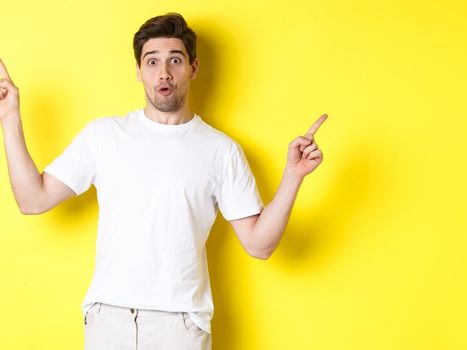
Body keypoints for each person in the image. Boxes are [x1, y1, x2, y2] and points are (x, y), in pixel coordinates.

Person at [0, 12, 326, 350]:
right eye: (152, 61)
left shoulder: (221, 151)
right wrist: (10, 117)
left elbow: (259, 245)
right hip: (108, 320)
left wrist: (293, 176)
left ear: (193, 68)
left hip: (180, 325)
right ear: (139, 72)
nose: (164, 72)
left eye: (175, 60)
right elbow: (32, 200)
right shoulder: (103, 136)